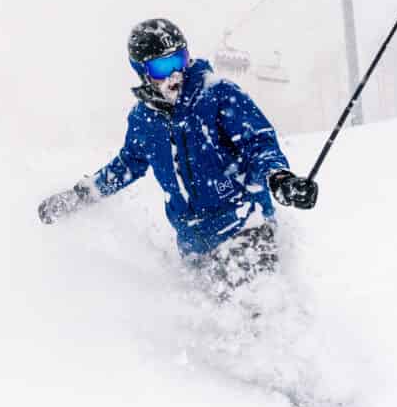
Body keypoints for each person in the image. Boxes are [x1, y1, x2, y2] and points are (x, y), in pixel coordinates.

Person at [38, 18, 318, 295]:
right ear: (142, 71)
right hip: (194, 249)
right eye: (161, 66)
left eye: (179, 60)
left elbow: (258, 143)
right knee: (212, 327)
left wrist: (279, 178)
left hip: (244, 226)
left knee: (255, 313)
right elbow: (126, 165)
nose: (175, 74)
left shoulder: (218, 95)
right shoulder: (143, 120)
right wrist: (79, 196)